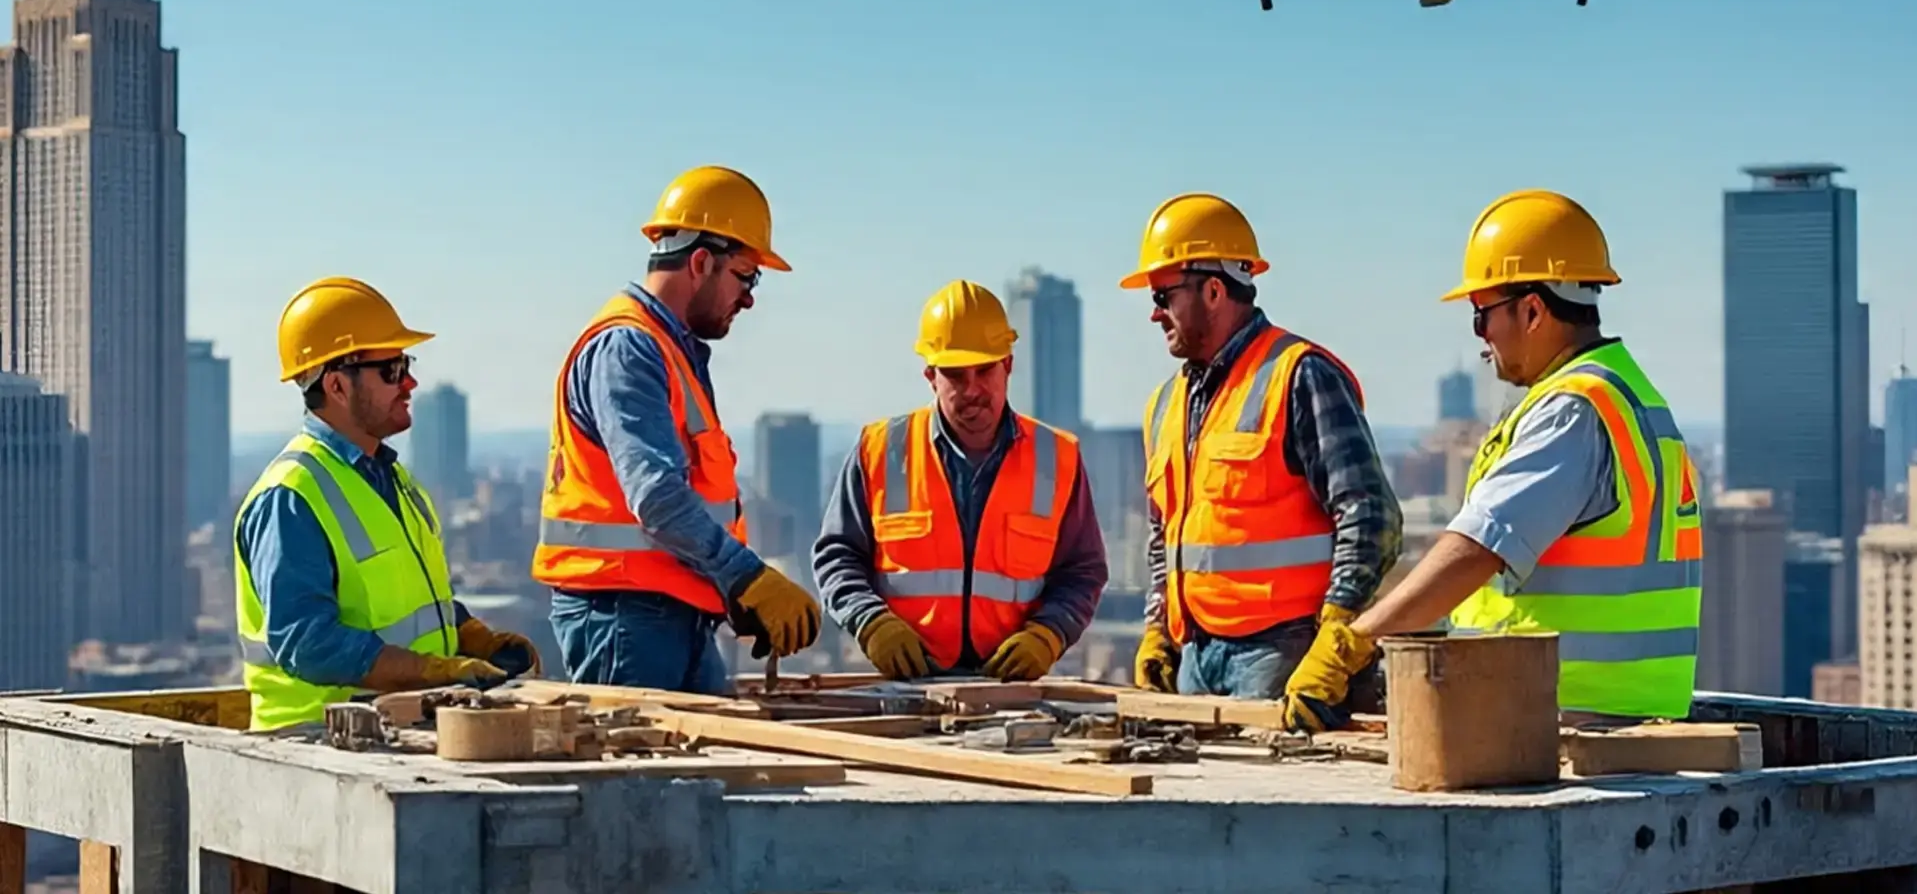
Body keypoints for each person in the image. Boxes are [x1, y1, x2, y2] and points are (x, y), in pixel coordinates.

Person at [1297, 190, 1704, 726]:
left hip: (1573, 718)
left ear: (1533, 310)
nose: (1481, 339)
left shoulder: (1573, 410)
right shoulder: (1627, 395)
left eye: (1481, 316)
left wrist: (1356, 641)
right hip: (1615, 715)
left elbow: (1476, 549)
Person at [532, 165, 820, 693]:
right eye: (746, 275)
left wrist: (732, 592)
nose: (751, 297)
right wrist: (747, 577)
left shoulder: (670, 352)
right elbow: (658, 496)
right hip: (625, 620)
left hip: (668, 616)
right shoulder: (630, 348)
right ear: (701, 261)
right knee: (640, 776)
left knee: (706, 770)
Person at [1119, 193, 1403, 721]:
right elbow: (1165, 534)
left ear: (1213, 289)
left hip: (1282, 652)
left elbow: (1370, 514)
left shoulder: (1298, 375)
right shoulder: (1165, 405)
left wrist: (1339, 633)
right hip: (1196, 656)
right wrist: (1158, 628)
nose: (1155, 313)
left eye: (1164, 294)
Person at [234, 277, 540, 731]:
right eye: (392, 369)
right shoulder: (292, 496)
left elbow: (410, 601)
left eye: (406, 363)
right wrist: (431, 671)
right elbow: (307, 643)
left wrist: (472, 638)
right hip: (316, 743)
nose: (410, 382)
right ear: (337, 386)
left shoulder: (393, 480)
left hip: (395, 729)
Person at [813, 280, 1108, 681]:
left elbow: (1083, 570)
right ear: (931, 376)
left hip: (1011, 686)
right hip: (909, 683)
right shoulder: (880, 450)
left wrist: (1049, 634)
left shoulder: (1056, 459)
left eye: (984, 370)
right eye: (955, 375)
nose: (973, 390)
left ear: (1008, 365)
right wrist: (870, 622)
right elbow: (837, 556)